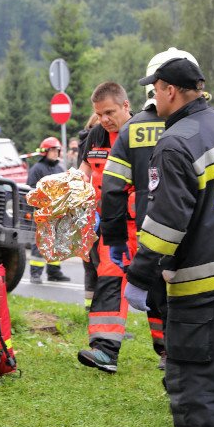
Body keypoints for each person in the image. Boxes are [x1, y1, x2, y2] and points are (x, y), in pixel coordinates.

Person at [124, 57, 214, 427]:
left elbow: (165, 226)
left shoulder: (175, 143)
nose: (153, 98)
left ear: (170, 90)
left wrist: (139, 277)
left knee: (198, 387)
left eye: (155, 89)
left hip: (201, 287)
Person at [101, 48, 199, 372]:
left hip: (149, 234)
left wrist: (114, 239)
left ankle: (169, 356)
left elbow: (112, 189)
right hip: (197, 234)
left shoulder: (131, 130)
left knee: (158, 297)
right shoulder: (204, 128)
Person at [76, 81, 132, 373]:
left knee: (161, 289)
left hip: (144, 226)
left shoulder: (140, 134)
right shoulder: (96, 135)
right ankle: (105, 350)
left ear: (126, 106)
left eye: (109, 112)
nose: (104, 120)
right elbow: (85, 169)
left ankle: (169, 352)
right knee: (109, 281)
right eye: (99, 114)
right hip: (110, 226)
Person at [27, 137, 69, 284]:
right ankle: (35, 274)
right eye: (52, 150)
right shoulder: (37, 169)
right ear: (45, 152)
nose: (55, 153)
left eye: (57, 150)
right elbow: (31, 190)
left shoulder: (59, 168)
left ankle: (54, 273)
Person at [78, 114, 101, 311]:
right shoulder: (92, 145)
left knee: (90, 264)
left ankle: (90, 309)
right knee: (97, 264)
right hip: (93, 214)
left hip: (89, 215)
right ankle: (95, 309)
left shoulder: (84, 144)